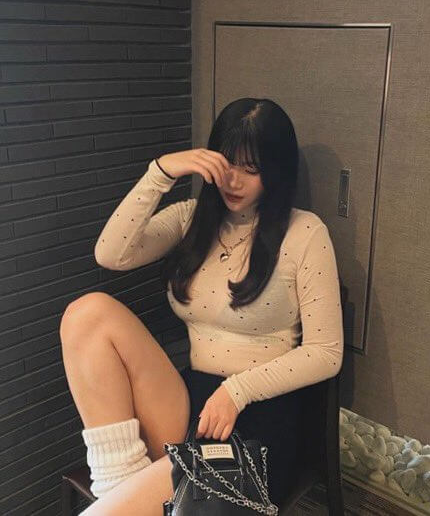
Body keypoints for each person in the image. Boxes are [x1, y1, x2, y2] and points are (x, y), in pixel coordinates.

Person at [60, 97, 344, 515]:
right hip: (189, 401)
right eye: (226, 164)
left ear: (276, 171)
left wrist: (236, 391)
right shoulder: (192, 219)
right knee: (87, 314)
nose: (233, 181)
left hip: (257, 420)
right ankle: (117, 483)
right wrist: (161, 171)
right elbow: (111, 254)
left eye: (251, 169)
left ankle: (119, 499)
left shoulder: (305, 233)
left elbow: (326, 353)